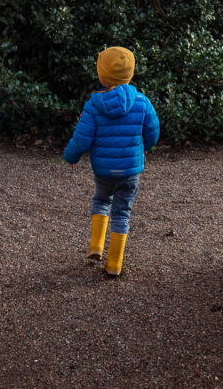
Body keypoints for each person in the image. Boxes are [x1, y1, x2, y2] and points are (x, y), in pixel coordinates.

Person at [64, 46, 159, 276]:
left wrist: (71, 155)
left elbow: (82, 138)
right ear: (131, 73)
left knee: (102, 200)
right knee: (122, 212)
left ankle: (96, 246)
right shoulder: (142, 102)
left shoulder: (94, 105)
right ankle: (115, 264)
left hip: (104, 169)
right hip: (130, 170)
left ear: (101, 75)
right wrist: (145, 148)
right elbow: (153, 131)